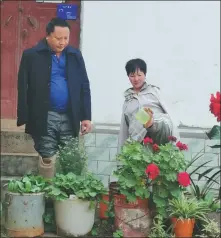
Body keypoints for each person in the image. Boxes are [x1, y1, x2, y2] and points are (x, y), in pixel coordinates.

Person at [17, 17, 92, 178]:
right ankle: (48, 196)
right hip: (45, 114)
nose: (63, 42)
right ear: (48, 36)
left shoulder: (74, 55)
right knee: (47, 157)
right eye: (58, 38)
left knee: (70, 157)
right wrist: (24, 115)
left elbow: (84, 85)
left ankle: (68, 196)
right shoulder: (32, 55)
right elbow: (23, 86)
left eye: (66, 38)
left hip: (69, 114)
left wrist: (86, 116)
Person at [118, 58, 179, 151]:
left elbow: (169, 116)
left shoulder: (154, 92)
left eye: (139, 75)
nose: (136, 79)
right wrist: (121, 152)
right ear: (128, 76)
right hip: (137, 146)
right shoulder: (128, 100)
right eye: (132, 75)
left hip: (158, 143)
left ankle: (150, 124)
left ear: (145, 74)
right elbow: (124, 129)